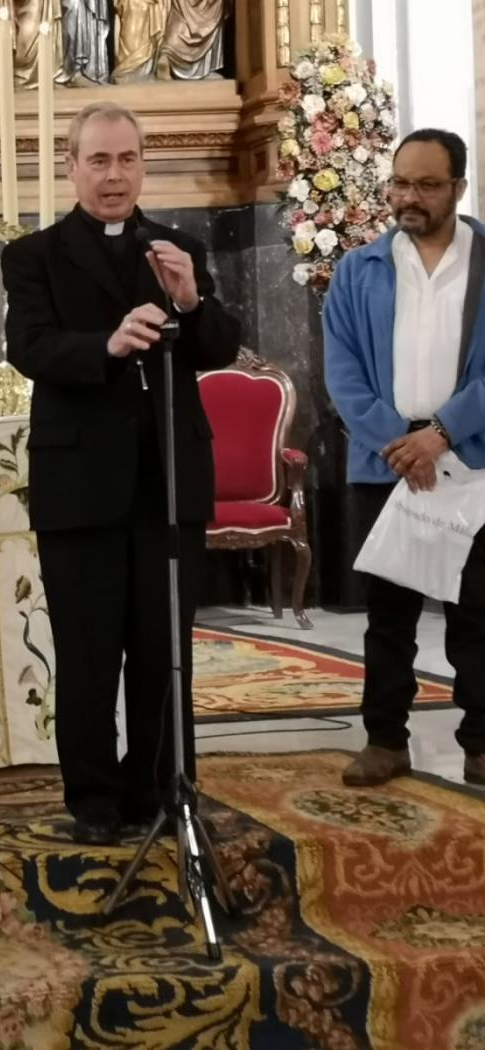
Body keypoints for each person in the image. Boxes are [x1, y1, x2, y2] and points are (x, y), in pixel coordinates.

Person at [1, 102, 241, 845]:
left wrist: (192, 300)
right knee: (89, 651)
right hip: (81, 485)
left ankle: (162, 789)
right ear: (71, 167)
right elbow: (29, 347)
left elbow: (218, 349)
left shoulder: (177, 247)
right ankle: (95, 800)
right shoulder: (34, 255)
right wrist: (105, 346)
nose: (114, 175)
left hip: (169, 480)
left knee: (164, 651)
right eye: (99, 160)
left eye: (128, 159)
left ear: (143, 165)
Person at [324, 128, 485, 789]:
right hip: (386, 461)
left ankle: (481, 742)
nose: (409, 198)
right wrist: (401, 442)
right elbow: (342, 371)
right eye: (399, 183)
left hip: (470, 461)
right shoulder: (358, 270)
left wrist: (442, 434)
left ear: (459, 188)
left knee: (477, 612)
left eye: (427, 185)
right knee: (387, 616)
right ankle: (385, 740)